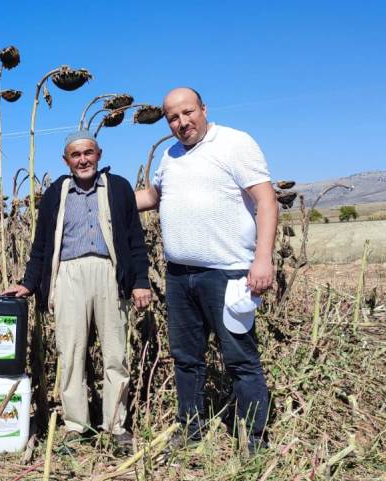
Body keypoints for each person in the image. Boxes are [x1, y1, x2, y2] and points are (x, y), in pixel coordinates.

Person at [134, 87, 277, 452]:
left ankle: (253, 439)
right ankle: (191, 428)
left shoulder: (234, 143)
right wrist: (101, 196)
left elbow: (266, 200)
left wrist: (262, 259)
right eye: (173, 118)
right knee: (186, 359)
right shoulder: (170, 155)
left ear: (203, 108)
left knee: (239, 358)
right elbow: (153, 197)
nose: (182, 123)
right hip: (180, 275)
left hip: (228, 274)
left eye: (188, 112)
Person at [3, 130, 151, 454]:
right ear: (66, 160)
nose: (83, 159)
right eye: (75, 154)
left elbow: (134, 240)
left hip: (109, 273)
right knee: (70, 354)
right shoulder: (56, 193)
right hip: (68, 275)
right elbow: (41, 244)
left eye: (88, 153)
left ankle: (115, 426)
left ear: (98, 154)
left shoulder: (119, 188)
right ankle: (75, 426)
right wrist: (29, 283)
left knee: (115, 354)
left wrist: (141, 280)